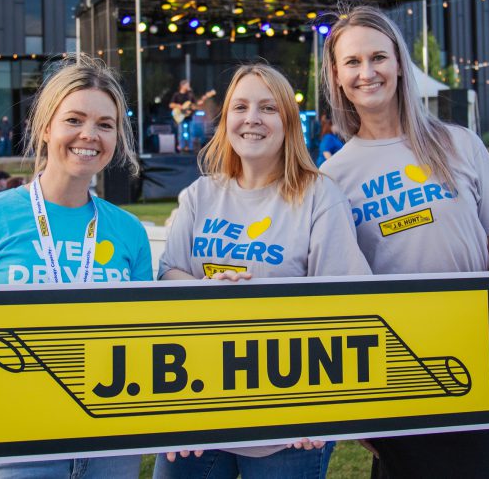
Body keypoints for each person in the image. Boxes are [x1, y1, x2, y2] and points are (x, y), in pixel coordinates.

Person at [318, 6, 489, 478]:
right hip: (396, 371)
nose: (367, 72)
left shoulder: (459, 144)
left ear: (399, 64)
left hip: (476, 359)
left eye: (378, 57)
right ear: (335, 74)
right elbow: (338, 295)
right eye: (352, 62)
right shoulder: (331, 178)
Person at [0, 55, 152, 479]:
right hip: (13, 441)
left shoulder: (130, 231)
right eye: (74, 119)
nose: (89, 135)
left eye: (105, 124)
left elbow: (141, 339)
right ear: (46, 127)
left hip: (110, 442)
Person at [155, 63, 370, 479]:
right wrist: (205, 286)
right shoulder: (201, 193)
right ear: (226, 120)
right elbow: (169, 273)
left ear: (288, 123)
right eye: (241, 106)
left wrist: (323, 405)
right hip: (200, 408)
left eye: (268, 108)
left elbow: (346, 302)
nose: (252, 118)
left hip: (287, 421)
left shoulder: (318, 195)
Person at [169, 79, 197, 153]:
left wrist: (194, 107)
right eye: (187, 85)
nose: (188, 87)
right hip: (180, 117)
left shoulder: (190, 95)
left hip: (189, 117)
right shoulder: (177, 95)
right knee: (181, 132)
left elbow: (195, 104)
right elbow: (171, 105)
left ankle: (190, 148)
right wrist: (178, 105)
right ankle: (181, 147)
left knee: (191, 132)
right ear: (182, 86)